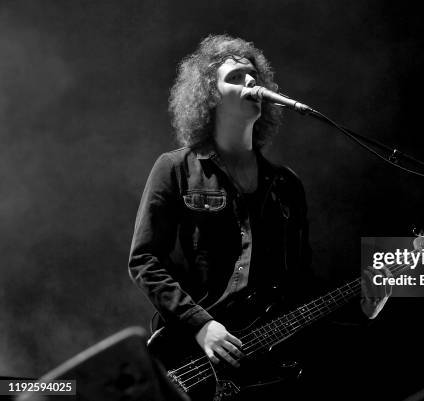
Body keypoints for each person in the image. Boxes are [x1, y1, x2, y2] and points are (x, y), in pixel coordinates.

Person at [128, 33, 390, 387]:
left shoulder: (286, 186)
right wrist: (201, 325)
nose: (250, 81)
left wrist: (363, 310)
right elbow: (144, 260)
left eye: (253, 75)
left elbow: (299, 292)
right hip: (186, 355)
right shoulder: (175, 168)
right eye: (235, 77)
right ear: (209, 96)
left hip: (262, 374)